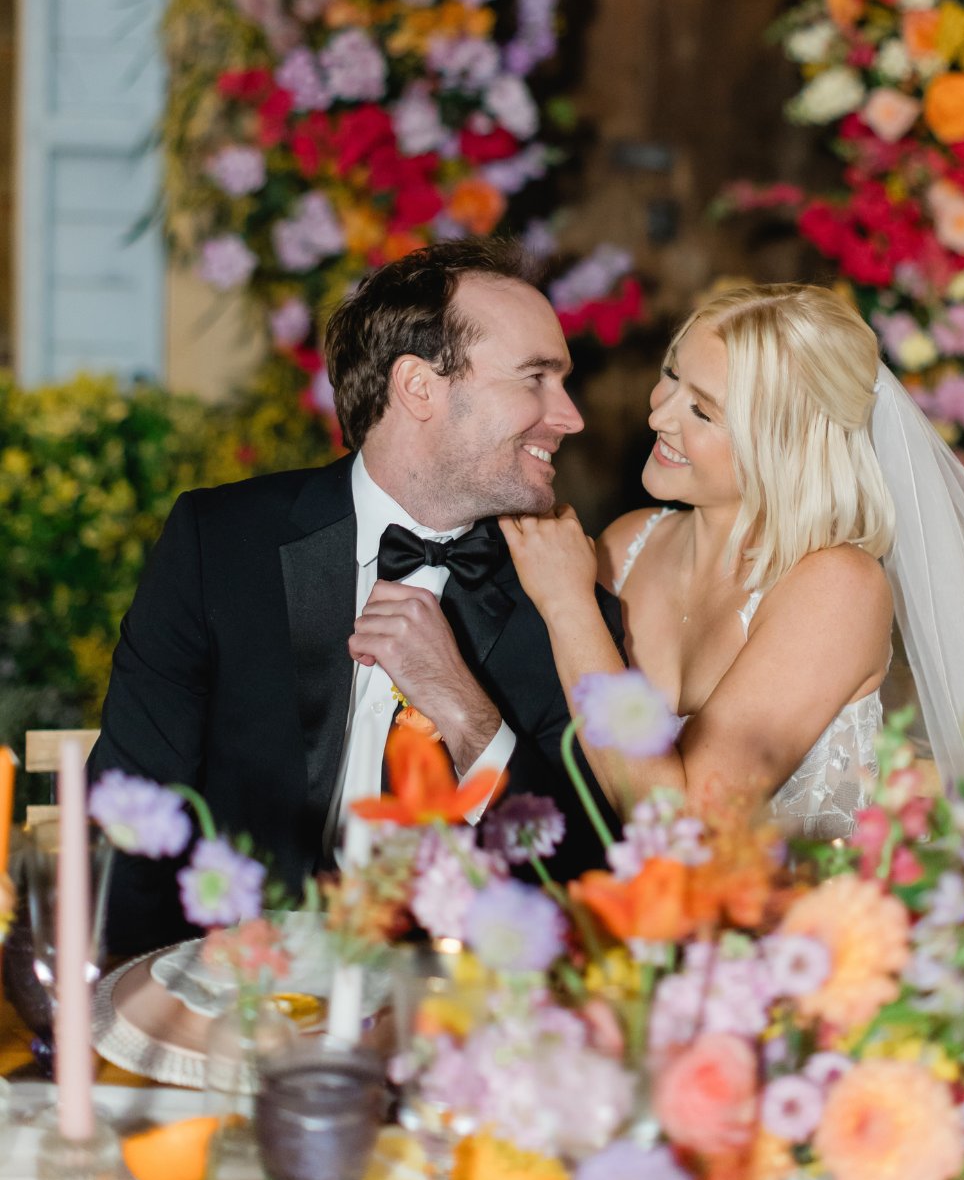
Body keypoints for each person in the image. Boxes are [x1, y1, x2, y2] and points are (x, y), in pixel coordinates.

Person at [88, 239, 621, 953]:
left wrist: (467, 714)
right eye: (536, 378)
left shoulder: (565, 602)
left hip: (454, 1015)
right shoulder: (220, 547)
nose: (569, 415)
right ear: (420, 387)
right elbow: (133, 813)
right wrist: (133, 1021)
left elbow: (587, 883)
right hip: (231, 991)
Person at [502, 281, 964, 838]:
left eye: (702, 412)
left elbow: (684, 826)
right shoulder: (627, 544)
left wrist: (568, 605)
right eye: (671, 376)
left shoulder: (836, 587)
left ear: (785, 442)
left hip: (804, 929)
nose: (658, 416)